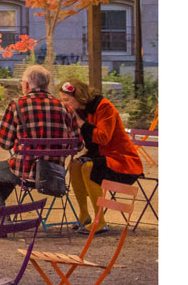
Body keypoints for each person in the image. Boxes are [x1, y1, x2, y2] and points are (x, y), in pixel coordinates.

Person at [0, 65, 79, 231]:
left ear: (26, 85)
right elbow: (78, 143)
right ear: (47, 85)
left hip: (26, 173)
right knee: (5, 175)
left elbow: (5, 143)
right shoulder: (65, 108)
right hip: (55, 175)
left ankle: (1, 217)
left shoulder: (17, 105)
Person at [58, 78, 144, 234]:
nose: (65, 104)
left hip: (122, 160)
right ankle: (84, 216)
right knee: (75, 165)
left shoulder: (104, 107)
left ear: (79, 96)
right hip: (100, 156)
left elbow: (103, 138)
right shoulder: (79, 111)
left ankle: (100, 221)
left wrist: (81, 123)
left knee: (88, 167)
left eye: (67, 100)